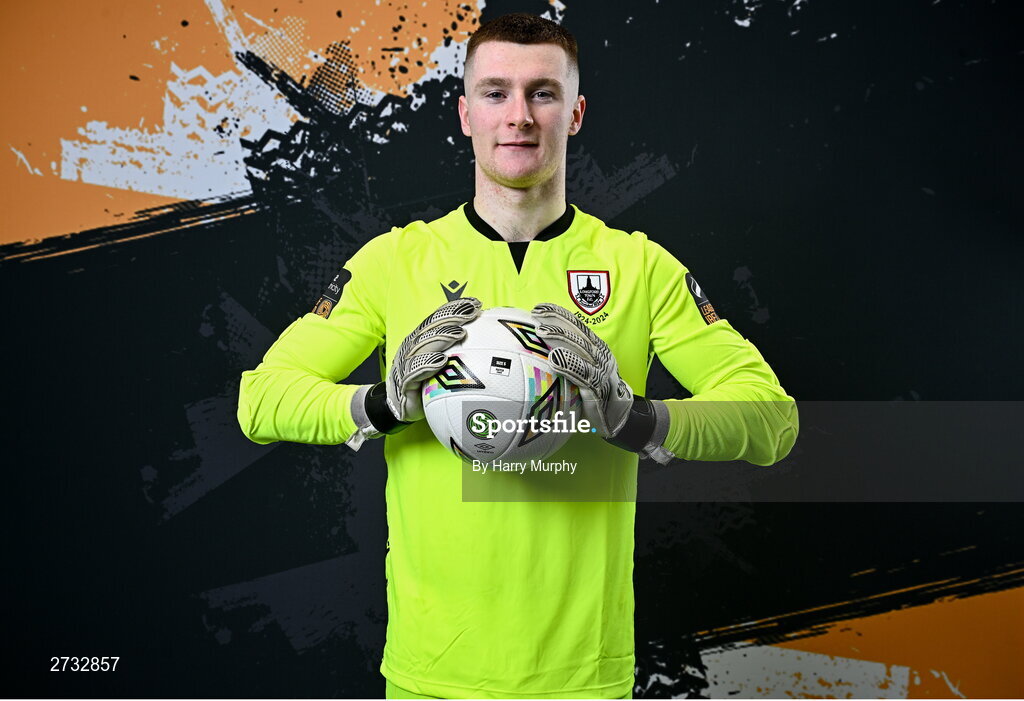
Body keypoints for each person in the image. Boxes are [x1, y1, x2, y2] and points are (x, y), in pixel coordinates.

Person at [237, 13, 798, 699]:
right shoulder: (396, 263)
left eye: (543, 93)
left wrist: (637, 419)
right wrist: (382, 403)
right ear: (465, 112)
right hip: (433, 674)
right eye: (497, 92)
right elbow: (261, 400)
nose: (520, 117)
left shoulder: (638, 267)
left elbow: (771, 419)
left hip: (582, 679)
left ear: (576, 112)